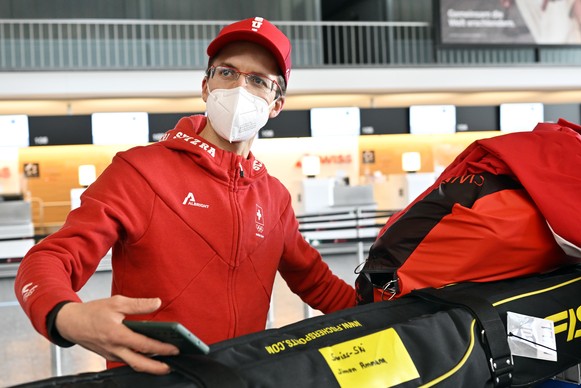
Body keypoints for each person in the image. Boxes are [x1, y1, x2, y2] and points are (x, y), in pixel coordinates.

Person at [14, 16, 356, 376]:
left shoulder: (274, 197)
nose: (240, 87)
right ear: (206, 86)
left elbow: (320, 286)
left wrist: (405, 312)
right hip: (152, 381)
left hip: (239, 378)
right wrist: (64, 314)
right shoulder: (140, 170)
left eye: (258, 81)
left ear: (276, 105)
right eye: (227, 73)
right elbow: (51, 257)